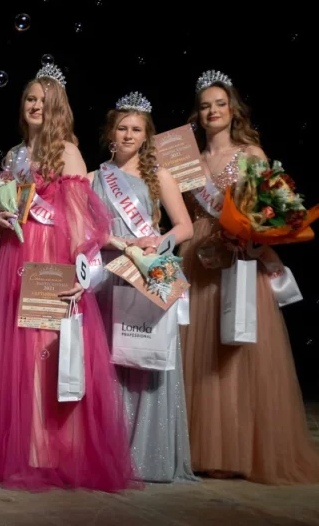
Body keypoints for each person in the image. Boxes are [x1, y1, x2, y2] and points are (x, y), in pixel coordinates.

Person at [0, 64, 137, 492]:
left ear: (57, 107)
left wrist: (82, 270)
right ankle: (29, 448)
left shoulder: (67, 152)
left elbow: (79, 219)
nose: (35, 105)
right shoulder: (13, 156)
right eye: (30, 99)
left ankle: (58, 450)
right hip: (16, 259)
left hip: (52, 260)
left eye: (43, 100)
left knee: (49, 353)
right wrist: (1, 217)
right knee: (19, 354)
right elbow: (3, 213)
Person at [179, 70, 319, 484]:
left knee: (235, 352)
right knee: (200, 352)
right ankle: (199, 449)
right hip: (198, 257)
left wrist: (254, 237)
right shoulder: (188, 160)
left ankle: (238, 451)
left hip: (239, 256)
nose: (213, 112)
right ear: (198, 114)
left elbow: (275, 209)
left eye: (220, 104)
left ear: (233, 109)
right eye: (205, 106)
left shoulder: (251, 153)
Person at [88, 91, 197, 483]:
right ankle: (110, 452)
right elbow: (86, 230)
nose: (128, 134)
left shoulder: (159, 176)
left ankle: (147, 456)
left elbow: (185, 226)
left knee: (145, 356)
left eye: (136, 129)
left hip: (146, 274)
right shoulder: (93, 178)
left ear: (146, 135)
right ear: (110, 133)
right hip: (109, 274)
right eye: (122, 128)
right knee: (111, 361)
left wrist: (158, 246)